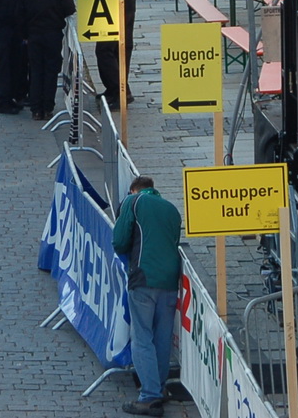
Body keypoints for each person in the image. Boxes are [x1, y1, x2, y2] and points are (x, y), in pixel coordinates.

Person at [113, 175, 183, 415]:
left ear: (134, 190)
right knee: (163, 338)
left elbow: (119, 240)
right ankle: (159, 388)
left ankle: (149, 396)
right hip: (170, 282)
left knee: (142, 337)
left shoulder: (134, 203)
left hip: (143, 278)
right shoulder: (172, 209)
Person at [19, 0, 75, 120]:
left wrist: (24, 35)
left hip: (34, 35)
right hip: (53, 35)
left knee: (36, 71)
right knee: (51, 71)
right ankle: (47, 107)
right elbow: (70, 9)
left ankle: (36, 108)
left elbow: (19, 14)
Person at [97, 0, 144, 109]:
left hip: (110, 15)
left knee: (104, 52)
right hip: (128, 13)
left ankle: (120, 90)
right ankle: (114, 90)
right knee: (122, 53)